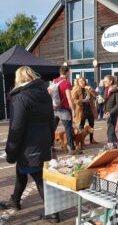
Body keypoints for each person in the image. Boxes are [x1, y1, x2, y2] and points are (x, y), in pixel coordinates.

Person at [0, 66, 59, 222]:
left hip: (29, 146)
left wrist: (10, 150)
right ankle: (15, 200)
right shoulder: (44, 94)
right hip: (41, 142)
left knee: (38, 177)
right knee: (21, 172)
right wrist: (50, 141)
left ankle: (53, 212)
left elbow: (17, 127)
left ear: (18, 79)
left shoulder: (21, 97)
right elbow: (51, 121)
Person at [52, 66, 77, 154]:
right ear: (67, 72)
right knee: (68, 129)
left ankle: (50, 147)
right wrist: (73, 110)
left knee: (52, 128)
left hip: (55, 108)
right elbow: (69, 98)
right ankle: (71, 149)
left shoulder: (55, 81)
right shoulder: (66, 83)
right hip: (64, 109)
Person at [71, 76, 98, 144]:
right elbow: (73, 100)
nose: (82, 82)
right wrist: (82, 100)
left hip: (89, 109)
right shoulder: (76, 89)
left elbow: (96, 95)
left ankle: (91, 139)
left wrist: (91, 90)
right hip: (81, 110)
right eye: (80, 81)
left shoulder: (88, 88)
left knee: (91, 125)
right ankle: (80, 140)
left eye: (83, 81)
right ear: (78, 82)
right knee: (81, 126)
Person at [103, 75, 118, 148]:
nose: (104, 82)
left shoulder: (116, 91)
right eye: (104, 81)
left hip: (112, 113)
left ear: (111, 81)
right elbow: (105, 100)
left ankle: (111, 146)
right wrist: (101, 101)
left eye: (106, 81)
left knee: (110, 131)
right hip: (107, 113)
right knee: (111, 131)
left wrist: (110, 113)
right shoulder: (106, 89)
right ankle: (116, 145)